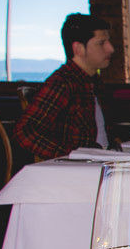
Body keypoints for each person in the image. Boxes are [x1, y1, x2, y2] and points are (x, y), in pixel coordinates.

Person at [13, 14, 114, 160]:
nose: (110, 49)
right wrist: (72, 155)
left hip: (102, 164)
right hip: (79, 174)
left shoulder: (94, 82)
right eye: (101, 43)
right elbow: (23, 132)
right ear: (78, 48)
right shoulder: (63, 82)